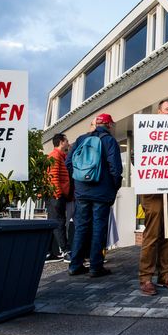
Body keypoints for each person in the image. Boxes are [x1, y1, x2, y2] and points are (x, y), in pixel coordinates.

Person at [66, 113, 123, 278]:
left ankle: (75, 265)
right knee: (99, 228)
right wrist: (114, 187)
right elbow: (115, 168)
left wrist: (78, 182)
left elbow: (69, 163)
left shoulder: (81, 139)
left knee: (81, 227)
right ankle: (95, 266)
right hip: (102, 191)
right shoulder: (109, 140)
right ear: (109, 125)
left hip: (81, 191)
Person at [138, 98, 168, 295]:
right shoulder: (146, 129)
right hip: (153, 190)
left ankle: (165, 274)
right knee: (152, 234)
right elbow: (140, 157)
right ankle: (146, 277)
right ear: (159, 112)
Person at [46, 133, 72, 262]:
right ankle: (66, 251)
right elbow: (53, 176)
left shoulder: (60, 156)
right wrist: (58, 194)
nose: (68, 143)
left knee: (52, 222)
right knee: (59, 222)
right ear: (61, 142)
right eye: (67, 141)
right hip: (55, 195)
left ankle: (48, 253)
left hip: (54, 195)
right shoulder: (55, 156)